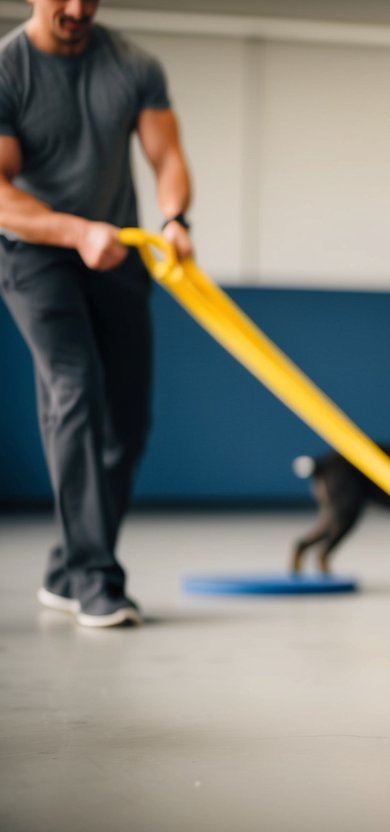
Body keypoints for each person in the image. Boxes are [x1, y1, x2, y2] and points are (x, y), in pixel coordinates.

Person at [0, 0, 194, 627]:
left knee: (128, 420)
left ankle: (66, 568)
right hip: (34, 256)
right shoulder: (9, 70)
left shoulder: (133, 64)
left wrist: (174, 219)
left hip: (119, 253)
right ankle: (93, 578)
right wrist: (74, 230)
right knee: (75, 389)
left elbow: (165, 158)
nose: (77, 8)